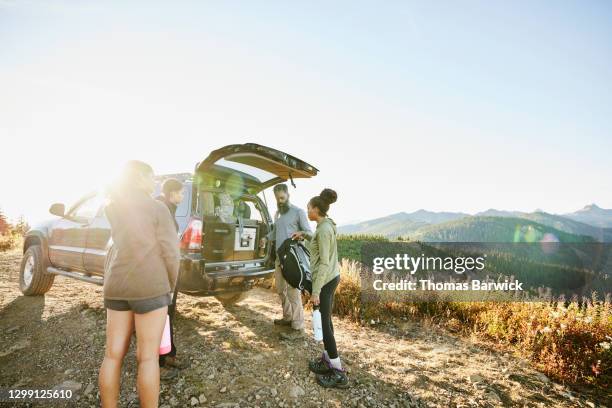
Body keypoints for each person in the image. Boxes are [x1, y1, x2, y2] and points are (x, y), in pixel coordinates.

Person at [99, 161, 180, 408]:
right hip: (150, 286)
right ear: (139, 179)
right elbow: (172, 253)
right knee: (147, 358)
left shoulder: (113, 207)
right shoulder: (157, 208)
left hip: (116, 284)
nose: (155, 182)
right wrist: (169, 284)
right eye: (151, 177)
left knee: (112, 356)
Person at [293, 188, 348, 388]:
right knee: (327, 321)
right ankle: (327, 360)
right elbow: (316, 238)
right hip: (331, 278)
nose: (307, 211)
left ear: (316, 209)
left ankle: (338, 372)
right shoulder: (325, 225)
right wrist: (304, 235)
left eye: (309, 208)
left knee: (325, 325)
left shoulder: (324, 229)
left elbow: (324, 262)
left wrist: (315, 291)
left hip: (325, 280)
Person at [264, 183, 312, 339]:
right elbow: (275, 232)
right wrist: (266, 238)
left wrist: (301, 234)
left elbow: (309, 233)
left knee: (293, 291)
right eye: (277, 199)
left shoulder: (298, 212)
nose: (280, 201)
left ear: (288, 195)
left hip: (292, 259)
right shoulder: (278, 213)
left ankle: (298, 327)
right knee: (280, 289)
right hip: (279, 258)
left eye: (282, 197)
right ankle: (288, 317)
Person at [156, 178, 188, 380]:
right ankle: (157, 364)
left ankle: (168, 354)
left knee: (167, 317)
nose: (182, 196)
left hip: (167, 272)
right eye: (180, 192)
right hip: (160, 275)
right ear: (171, 193)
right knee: (160, 317)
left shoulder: (168, 209)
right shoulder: (161, 209)